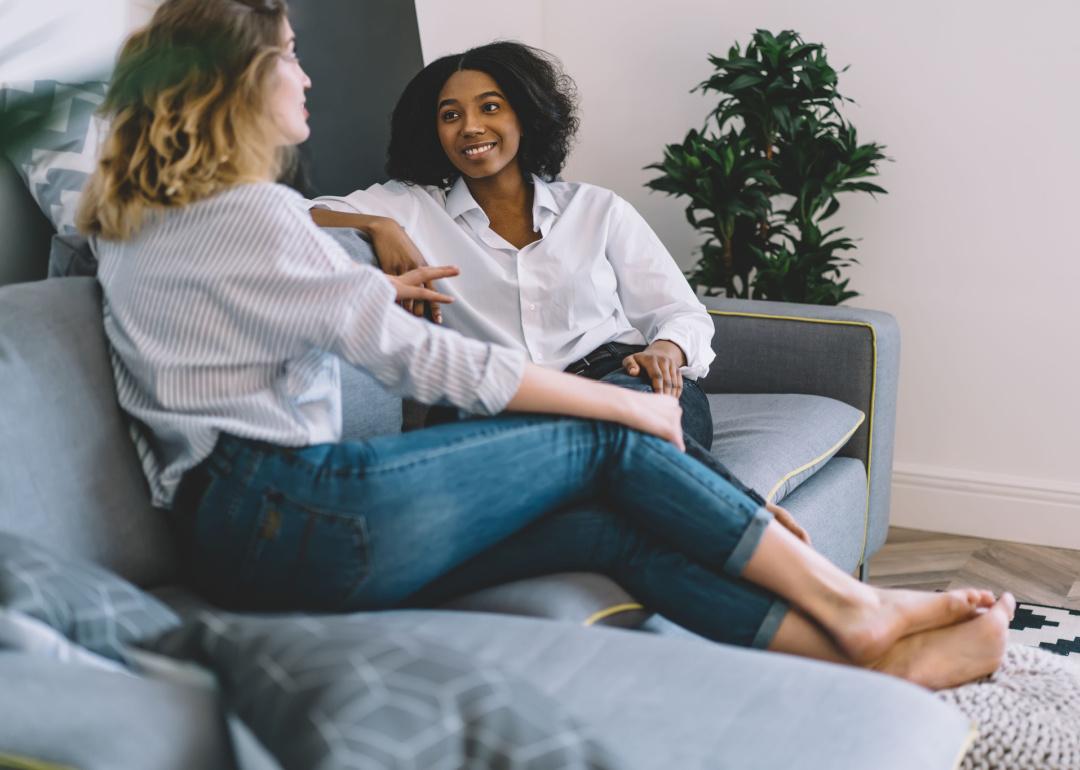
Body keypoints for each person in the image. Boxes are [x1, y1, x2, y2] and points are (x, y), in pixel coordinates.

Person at [78, 0, 1013, 691]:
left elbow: (240, 325)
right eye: (289, 55)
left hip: (248, 537)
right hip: (287, 508)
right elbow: (421, 360)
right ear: (236, 79)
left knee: (612, 533)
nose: (307, 76)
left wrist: (362, 286)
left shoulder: (133, 221)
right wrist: (626, 406)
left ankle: (884, 664)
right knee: (612, 442)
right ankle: (856, 607)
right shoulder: (252, 213)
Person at [309, 42, 719, 452]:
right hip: (496, 407)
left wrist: (668, 348)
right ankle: (723, 505)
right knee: (613, 454)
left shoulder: (596, 208)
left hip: (619, 375)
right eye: (451, 115)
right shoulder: (412, 207)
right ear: (434, 132)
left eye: (490, 107)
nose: (470, 127)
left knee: (640, 425)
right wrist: (377, 224)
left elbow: (681, 312)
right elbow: (284, 214)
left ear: (525, 116)